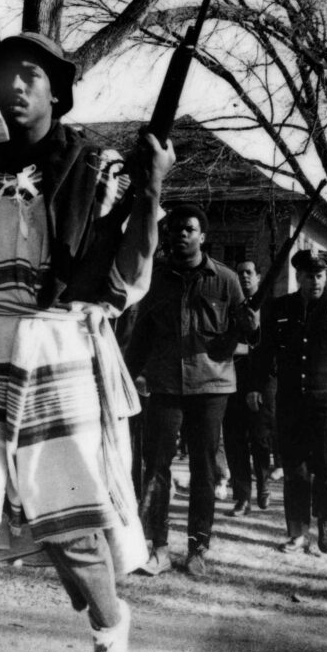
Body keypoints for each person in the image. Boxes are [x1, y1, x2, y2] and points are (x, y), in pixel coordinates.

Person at [0, 31, 173, 652]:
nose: (17, 84)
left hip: (56, 349)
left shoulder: (102, 168)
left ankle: (110, 627)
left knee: (68, 524)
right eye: (6, 74)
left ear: (57, 90)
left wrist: (151, 192)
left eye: (31, 73)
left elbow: (125, 276)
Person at [124, 204, 253, 578]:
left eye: (189, 229)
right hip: (165, 385)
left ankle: (198, 546)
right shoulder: (155, 280)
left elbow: (246, 333)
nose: (181, 234)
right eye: (175, 229)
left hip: (211, 387)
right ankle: (158, 546)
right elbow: (141, 337)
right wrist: (125, 377)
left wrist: (250, 326)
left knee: (204, 468)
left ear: (203, 236)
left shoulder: (226, 280)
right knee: (156, 467)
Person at [247, 248, 327, 554]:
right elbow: (263, 351)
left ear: (325, 276)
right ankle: (297, 531)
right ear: (299, 277)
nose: (315, 281)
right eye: (309, 276)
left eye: (320, 276)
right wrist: (254, 386)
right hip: (291, 404)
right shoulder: (279, 308)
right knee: (295, 469)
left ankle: (326, 522)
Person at [222, 260, 274, 517]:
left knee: (260, 439)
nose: (243, 277)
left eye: (248, 273)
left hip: (261, 382)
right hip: (232, 380)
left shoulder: (270, 308)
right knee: (234, 440)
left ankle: (264, 483)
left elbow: (270, 349)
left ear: (259, 277)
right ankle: (242, 497)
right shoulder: (231, 306)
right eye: (239, 272)